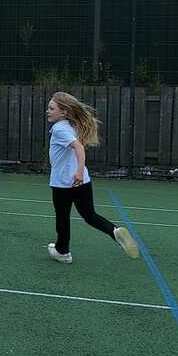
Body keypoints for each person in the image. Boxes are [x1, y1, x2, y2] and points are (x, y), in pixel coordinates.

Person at [44, 92, 138, 264]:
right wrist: (81, 173)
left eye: (51, 108)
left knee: (62, 218)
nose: (47, 111)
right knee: (90, 215)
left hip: (63, 184)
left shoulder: (59, 129)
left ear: (64, 112)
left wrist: (78, 171)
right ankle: (114, 232)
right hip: (83, 182)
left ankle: (62, 252)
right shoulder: (73, 125)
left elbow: (79, 148)